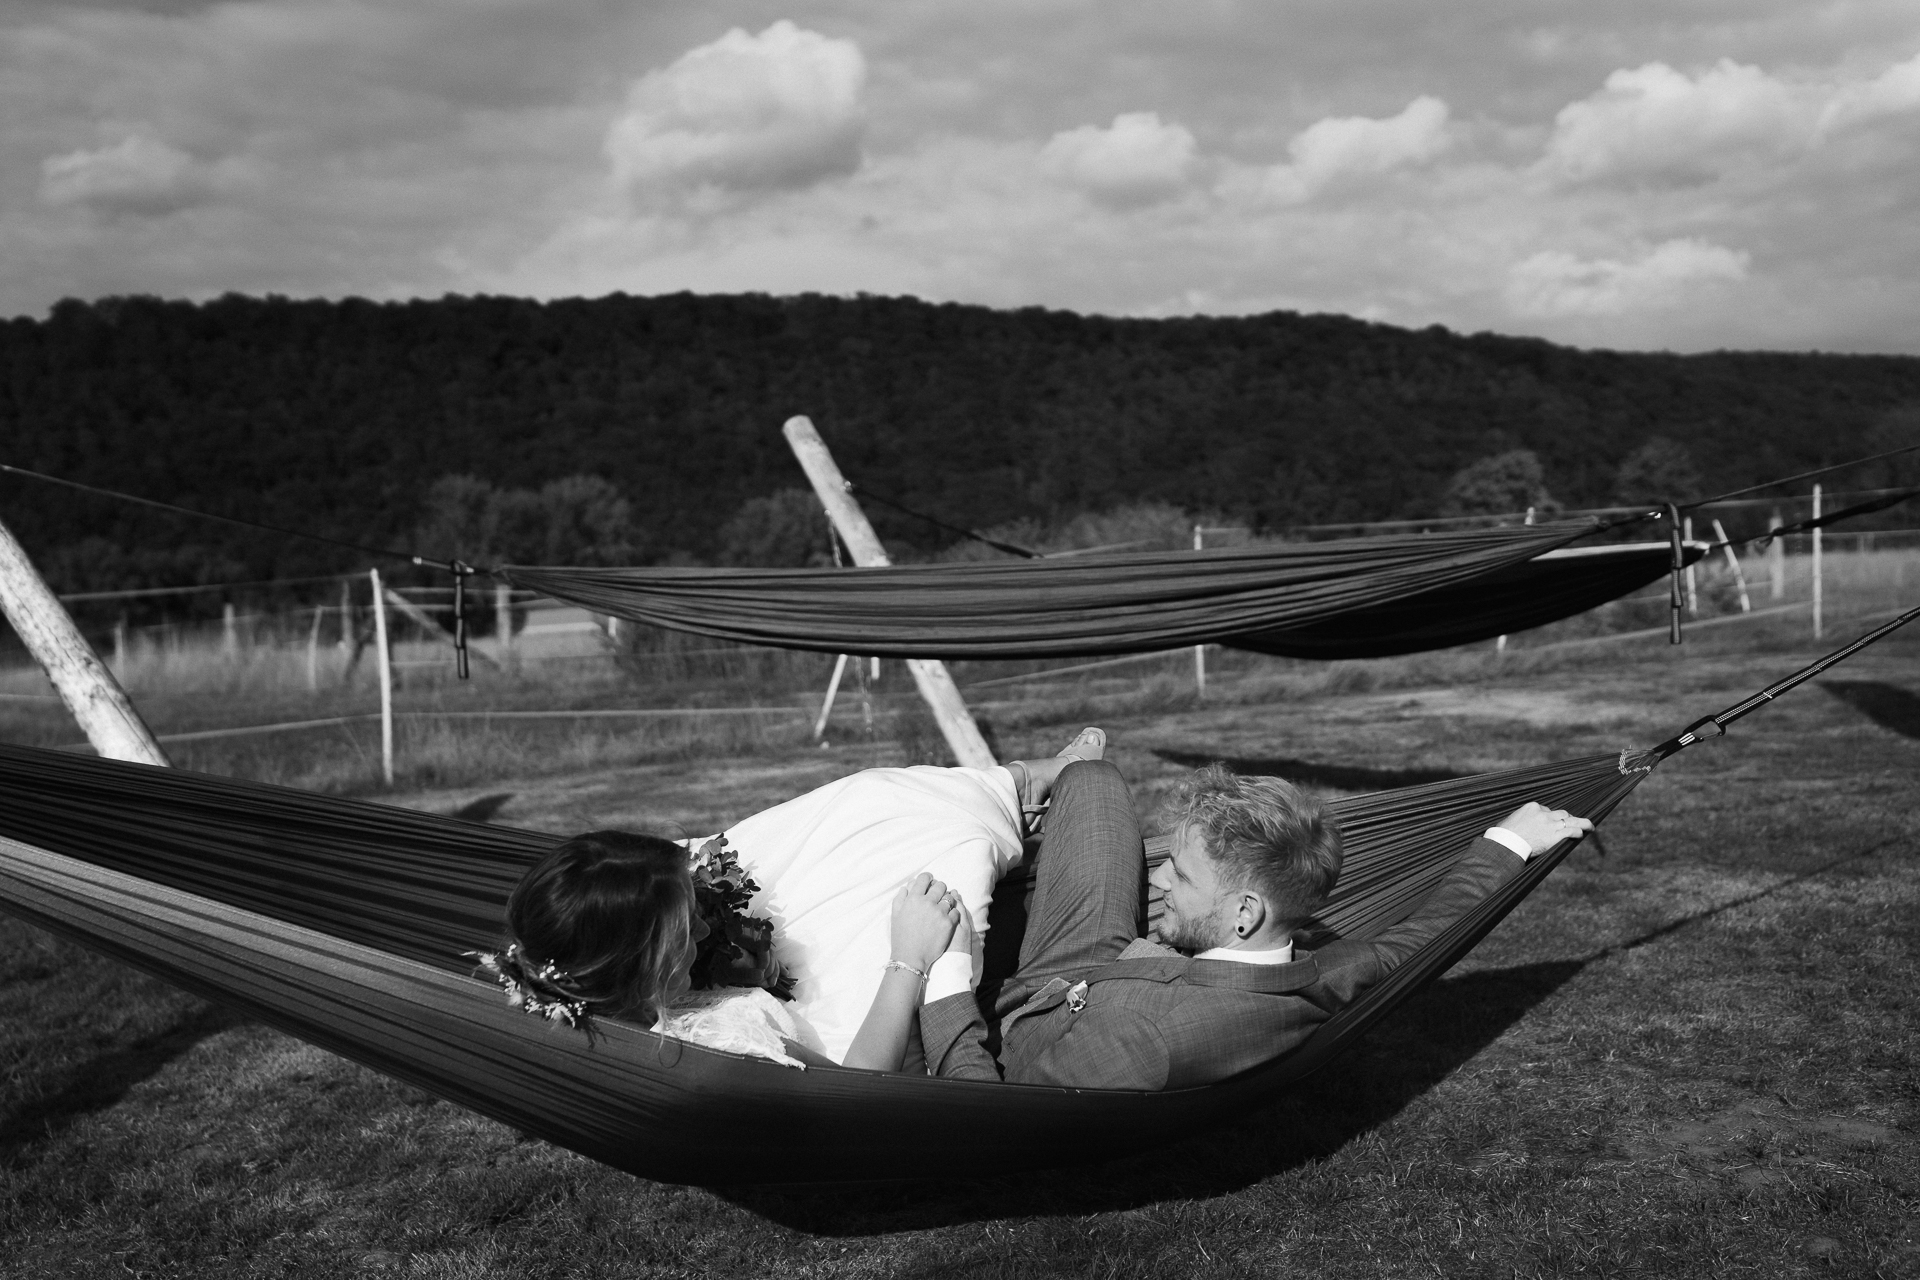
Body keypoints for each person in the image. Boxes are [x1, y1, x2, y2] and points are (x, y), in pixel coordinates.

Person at [919, 758, 1592, 1089]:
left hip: (1014, 1015)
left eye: (1176, 874)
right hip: (1105, 960)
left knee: (943, 867)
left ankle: (1018, 832)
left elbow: (983, 1109)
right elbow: (1419, 937)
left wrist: (942, 969)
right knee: (1094, 779)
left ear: (1244, 914)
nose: (1154, 880)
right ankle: (1050, 793)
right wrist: (1508, 841)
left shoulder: (1143, 1040)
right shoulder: (1332, 967)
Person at [484, 730, 1110, 1069]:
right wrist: (908, 960)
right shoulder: (724, 1031)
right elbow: (857, 1087)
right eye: (685, 935)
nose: (704, 931)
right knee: (941, 868)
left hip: (782, 965)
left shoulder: (601, 936)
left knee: (865, 799)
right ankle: (1015, 796)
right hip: (875, 993)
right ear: (636, 965)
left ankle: (1014, 788)